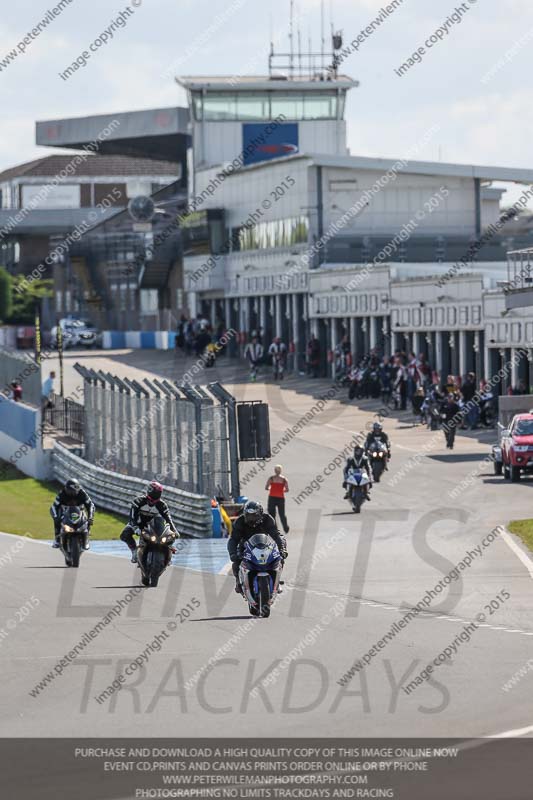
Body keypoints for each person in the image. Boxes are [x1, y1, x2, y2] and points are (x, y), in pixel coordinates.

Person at [228, 500, 287, 594]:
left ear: (260, 514)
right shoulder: (239, 521)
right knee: (236, 561)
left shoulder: (268, 519)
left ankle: (277, 580)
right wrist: (232, 554)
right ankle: (238, 582)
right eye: (248, 516)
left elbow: (276, 535)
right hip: (245, 546)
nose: (251, 518)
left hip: (265, 545)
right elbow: (233, 539)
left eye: (254, 516)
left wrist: (282, 550)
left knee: (279, 557)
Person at [120, 481, 179, 563]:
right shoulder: (138, 501)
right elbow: (132, 517)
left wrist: (174, 530)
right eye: (150, 500)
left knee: (171, 536)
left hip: (156, 526)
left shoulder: (162, 505)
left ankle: (167, 553)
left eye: (155, 501)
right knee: (124, 535)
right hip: (139, 525)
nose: (152, 503)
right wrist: (135, 527)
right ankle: (134, 551)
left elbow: (168, 519)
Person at [50, 479, 95, 549]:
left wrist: (91, 517)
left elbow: (90, 505)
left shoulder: (82, 493)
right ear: (67, 489)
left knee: (87, 520)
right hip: (65, 513)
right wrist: (55, 517)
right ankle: (57, 539)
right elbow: (53, 507)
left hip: (79, 512)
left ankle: (86, 538)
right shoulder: (62, 494)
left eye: (74, 491)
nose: (72, 493)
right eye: (70, 491)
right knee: (57, 519)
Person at [265, 465, 290, 534]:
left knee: (272, 514)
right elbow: (287, 489)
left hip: (272, 497)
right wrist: (281, 490)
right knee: (282, 514)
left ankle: (274, 528)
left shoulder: (271, 478)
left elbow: (266, 487)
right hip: (280, 498)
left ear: (275, 471)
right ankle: (286, 528)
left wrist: (272, 489)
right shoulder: (284, 479)